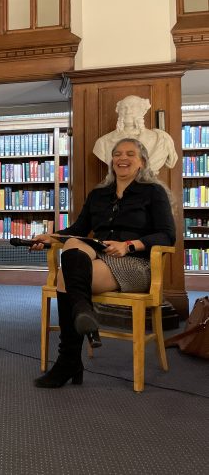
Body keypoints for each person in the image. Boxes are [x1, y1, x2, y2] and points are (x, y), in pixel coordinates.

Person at [29, 138, 176, 388]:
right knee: (74, 243)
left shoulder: (153, 192)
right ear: (112, 161)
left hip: (134, 263)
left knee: (65, 277)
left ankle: (69, 359)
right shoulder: (99, 194)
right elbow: (78, 229)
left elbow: (166, 235)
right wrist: (50, 237)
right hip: (98, 256)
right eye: (117, 154)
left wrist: (130, 244)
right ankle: (83, 313)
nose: (122, 158)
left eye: (130, 153)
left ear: (141, 162)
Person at [93, 95, 178, 174]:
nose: (128, 112)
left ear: (143, 111)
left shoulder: (160, 139)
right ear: (118, 111)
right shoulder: (103, 142)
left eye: (133, 107)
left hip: (149, 188)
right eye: (124, 108)